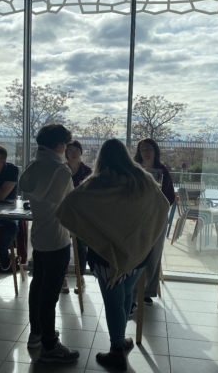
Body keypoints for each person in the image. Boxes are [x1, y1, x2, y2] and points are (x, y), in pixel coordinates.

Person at [57, 139, 169, 371]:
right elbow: (163, 206)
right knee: (126, 296)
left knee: (113, 303)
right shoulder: (143, 180)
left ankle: (117, 350)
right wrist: (146, 236)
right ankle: (121, 339)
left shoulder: (96, 183)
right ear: (127, 156)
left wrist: (91, 233)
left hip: (106, 257)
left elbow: (69, 206)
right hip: (138, 253)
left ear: (101, 158)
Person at [19, 124, 80, 363]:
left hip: (39, 237)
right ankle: (50, 345)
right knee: (50, 295)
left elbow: (27, 192)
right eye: (65, 145)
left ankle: (36, 333)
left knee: (38, 288)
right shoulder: (61, 171)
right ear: (59, 145)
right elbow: (71, 205)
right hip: (57, 239)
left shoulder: (33, 166)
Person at [130, 138, 175, 313]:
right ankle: (133, 294)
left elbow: (170, 195)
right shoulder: (134, 169)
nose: (146, 152)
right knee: (137, 255)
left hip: (157, 217)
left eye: (149, 149)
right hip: (137, 217)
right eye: (142, 149)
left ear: (155, 151)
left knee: (154, 255)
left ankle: (147, 291)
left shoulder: (162, 170)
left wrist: (159, 204)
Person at [62, 140, 92, 295]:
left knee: (81, 248)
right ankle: (62, 278)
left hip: (81, 215)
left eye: (76, 150)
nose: (73, 153)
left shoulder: (87, 171)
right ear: (66, 153)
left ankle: (80, 278)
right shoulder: (61, 169)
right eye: (70, 150)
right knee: (63, 246)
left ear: (81, 153)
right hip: (63, 212)